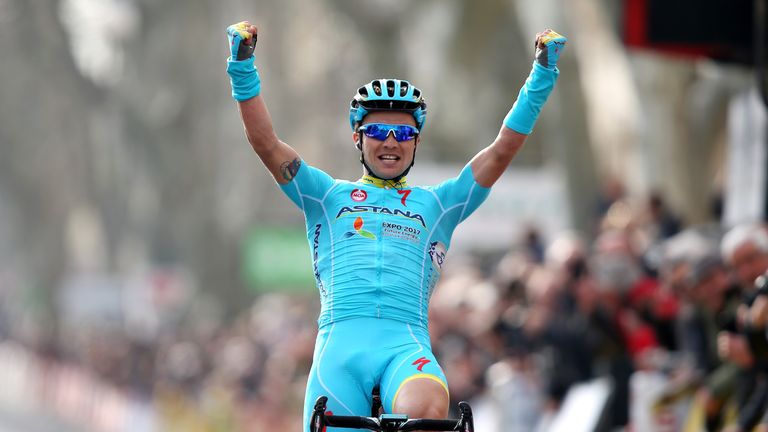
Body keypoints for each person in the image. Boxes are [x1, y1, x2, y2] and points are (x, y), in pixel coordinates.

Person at [223, 20, 566, 431]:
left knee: (426, 409)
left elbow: (499, 153)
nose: (390, 141)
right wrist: (242, 67)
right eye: (378, 131)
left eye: (403, 131)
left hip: (406, 347)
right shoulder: (324, 194)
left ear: (416, 141)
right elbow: (266, 142)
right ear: (357, 137)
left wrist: (541, 75)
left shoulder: (440, 203)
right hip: (339, 355)